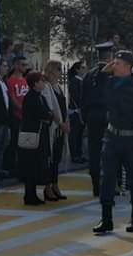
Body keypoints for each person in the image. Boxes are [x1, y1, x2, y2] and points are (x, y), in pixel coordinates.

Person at [92, 51, 133, 235]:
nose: (114, 66)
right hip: (112, 137)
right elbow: (95, 87)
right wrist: (103, 72)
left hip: (131, 139)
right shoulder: (109, 82)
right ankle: (106, 219)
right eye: (114, 63)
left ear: (128, 67)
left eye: (118, 63)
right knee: (107, 178)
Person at [81, 43, 114, 196]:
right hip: (108, 116)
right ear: (109, 57)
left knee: (94, 151)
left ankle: (95, 185)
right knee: (111, 150)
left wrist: (84, 119)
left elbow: (83, 99)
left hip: (92, 116)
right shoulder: (112, 74)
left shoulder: (89, 75)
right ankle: (110, 184)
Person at [19, 71, 53, 206]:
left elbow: (48, 113)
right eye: (41, 81)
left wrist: (48, 115)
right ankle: (29, 195)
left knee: (38, 164)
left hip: (41, 134)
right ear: (34, 84)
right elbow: (41, 113)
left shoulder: (41, 97)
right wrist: (47, 115)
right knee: (30, 165)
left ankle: (33, 194)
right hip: (32, 135)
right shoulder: (30, 97)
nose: (43, 83)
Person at [41, 61, 69, 202]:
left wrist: (66, 122)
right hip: (52, 127)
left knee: (56, 158)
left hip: (61, 127)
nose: (60, 72)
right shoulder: (46, 87)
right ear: (51, 70)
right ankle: (47, 187)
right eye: (58, 69)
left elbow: (63, 107)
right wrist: (60, 123)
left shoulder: (59, 87)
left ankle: (55, 184)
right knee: (50, 158)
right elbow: (50, 109)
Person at [5, 55, 31, 175]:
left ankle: (23, 166)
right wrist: (22, 109)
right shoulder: (10, 81)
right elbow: (12, 99)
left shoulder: (25, 80)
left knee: (25, 143)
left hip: (26, 117)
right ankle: (12, 167)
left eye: (26, 65)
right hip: (16, 117)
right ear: (16, 65)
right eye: (23, 65)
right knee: (15, 142)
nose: (25, 67)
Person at [67, 61, 88, 165]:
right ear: (77, 70)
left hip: (81, 111)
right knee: (75, 134)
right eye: (82, 67)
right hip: (76, 111)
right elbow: (76, 97)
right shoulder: (74, 81)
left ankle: (79, 154)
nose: (85, 69)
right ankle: (74, 155)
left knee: (80, 134)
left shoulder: (81, 80)